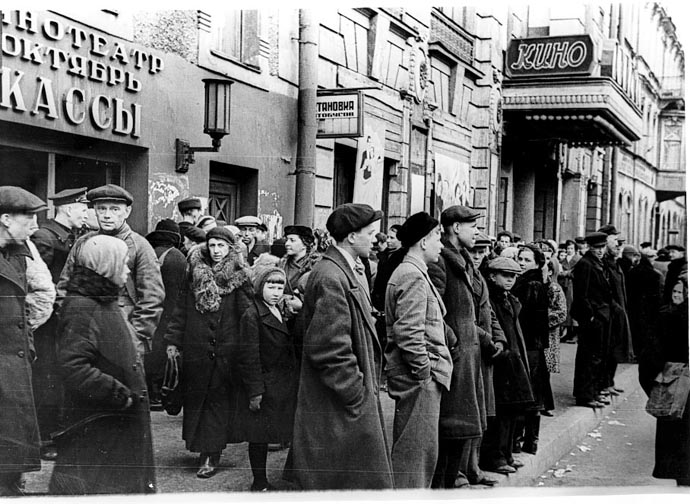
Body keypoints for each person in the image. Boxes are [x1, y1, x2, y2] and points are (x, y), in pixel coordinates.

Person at [292, 203, 393, 490]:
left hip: (343, 404)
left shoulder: (341, 270)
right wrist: (356, 394)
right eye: (370, 233)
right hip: (341, 405)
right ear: (351, 236)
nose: (375, 238)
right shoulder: (332, 275)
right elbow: (329, 349)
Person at [50, 235, 155, 494]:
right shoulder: (83, 306)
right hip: (101, 423)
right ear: (106, 265)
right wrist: (120, 395)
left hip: (113, 423)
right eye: (123, 263)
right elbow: (73, 365)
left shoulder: (102, 299)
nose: (127, 270)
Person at [164, 227, 253, 478]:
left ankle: (210, 455)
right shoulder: (194, 272)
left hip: (226, 351)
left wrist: (244, 347)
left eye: (221, 246)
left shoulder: (239, 276)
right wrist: (173, 341)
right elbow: (180, 310)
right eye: (212, 245)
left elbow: (247, 315)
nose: (216, 251)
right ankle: (202, 449)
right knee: (197, 402)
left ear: (230, 248)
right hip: (197, 349)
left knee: (216, 404)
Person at [426, 206, 499, 488]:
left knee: (461, 430)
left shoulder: (464, 260)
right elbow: (434, 311)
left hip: (468, 357)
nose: (477, 233)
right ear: (456, 228)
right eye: (473, 227)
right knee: (450, 430)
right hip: (454, 358)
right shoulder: (441, 260)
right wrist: (454, 343)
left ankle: (453, 482)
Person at [57, 184, 164, 357]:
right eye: (101, 209)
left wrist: (133, 340)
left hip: (122, 334)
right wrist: (70, 327)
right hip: (84, 336)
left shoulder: (140, 246)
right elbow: (64, 287)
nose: (107, 215)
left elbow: (151, 299)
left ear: (127, 212)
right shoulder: (83, 243)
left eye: (114, 209)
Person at [386, 212, 452, 488]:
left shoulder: (413, 272)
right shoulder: (412, 275)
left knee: (419, 452)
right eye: (438, 237)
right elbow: (409, 333)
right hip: (418, 379)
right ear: (423, 241)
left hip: (418, 377)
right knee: (415, 455)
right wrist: (425, 373)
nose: (441, 244)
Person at [29, 187, 89, 460]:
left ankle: (57, 431)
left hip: (63, 319)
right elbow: (36, 281)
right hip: (47, 323)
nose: (86, 214)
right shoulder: (44, 237)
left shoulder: (69, 236)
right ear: (68, 209)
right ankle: (45, 437)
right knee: (47, 376)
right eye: (82, 209)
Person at [0, 187, 47, 496]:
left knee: (13, 438)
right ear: (5, 219)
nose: (35, 225)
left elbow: (24, 306)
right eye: (28, 217)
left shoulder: (17, 253)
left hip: (14, 361)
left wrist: (27, 344)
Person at [236, 267, 298, 492]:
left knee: (267, 432)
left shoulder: (277, 309)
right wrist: (255, 392)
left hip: (280, 382)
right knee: (259, 436)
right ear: (259, 287)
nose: (275, 292)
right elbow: (249, 356)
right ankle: (259, 482)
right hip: (266, 383)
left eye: (280, 287)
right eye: (270, 287)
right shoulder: (252, 315)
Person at [480, 257, 534, 475]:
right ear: (493, 276)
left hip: (512, 358)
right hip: (500, 359)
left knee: (512, 409)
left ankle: (506, 453)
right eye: (506, 275)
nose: (510, 280)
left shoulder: (509, 299)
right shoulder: (492, 298)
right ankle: (495, 457)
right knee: (500, 412)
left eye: (513, 276)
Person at [638, 278, 689, 486]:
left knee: (676, 439)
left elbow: (650, 356)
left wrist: (653, 383)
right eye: (674, 291)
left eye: (680, 292)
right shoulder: (667, 316)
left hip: (673, 384)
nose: (676, 295)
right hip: (677, 384)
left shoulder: (667, 317)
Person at [512, 244, 552, 452]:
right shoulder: (531, 282)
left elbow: (527, 318)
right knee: (532, 392)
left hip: (528, 345)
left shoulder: (531, 285)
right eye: (519, 259)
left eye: (527, 260)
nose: (521, 263)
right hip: (533, 345)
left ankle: (523, 439)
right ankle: (529, 440)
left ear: (537, 264)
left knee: (526, 391)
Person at [144, 219, 187, 410]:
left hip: (146, 311)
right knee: (162, 353)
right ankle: (157, 393)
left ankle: (148, 391)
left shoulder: (148, 252)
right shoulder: (177, 256)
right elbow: (179, 293)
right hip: (168, 314)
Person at [571, 232, 611, 408]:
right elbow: (581, 294)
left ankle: (593, 392)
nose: (600, 251)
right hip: (592, 317)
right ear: (590, 247)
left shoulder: (597, 263)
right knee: (588, 357)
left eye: (602, 247)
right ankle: (585, 395)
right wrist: (590, 316)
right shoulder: (586, 264)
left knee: (596, 356)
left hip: (600, 315)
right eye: (596, 248)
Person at [598, 224, 634, 397]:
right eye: (615, 241)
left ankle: (609, 382)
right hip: (611, 312)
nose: (619, 245)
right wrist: (616, 308)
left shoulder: (614, 262)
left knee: (615, 349)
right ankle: (604, 383)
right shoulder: (604, 262)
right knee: (607, 350)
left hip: (619, 311)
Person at [627, 245, 664, 359]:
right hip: (650, 308)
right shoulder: (655, 274)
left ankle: (637, 352)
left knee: (637, 330)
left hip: (635, 307)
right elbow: (658, 294)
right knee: (648, 331)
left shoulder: (632, 272)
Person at [558, 239, 580, 343]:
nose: (569, 250)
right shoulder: (563, 260)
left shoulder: (578, 259)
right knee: (566, 307)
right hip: (564, 285)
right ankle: (567, 332)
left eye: (571, 248)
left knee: (573, 308)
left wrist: (566, 273)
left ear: (575, 250)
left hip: (574, 286)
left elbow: (577, 273)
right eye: (568, 248)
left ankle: (575, 333)